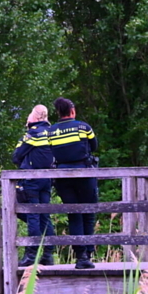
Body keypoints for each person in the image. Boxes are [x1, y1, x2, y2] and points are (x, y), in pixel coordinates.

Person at [48, 97, 99, 269]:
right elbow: (94, 146)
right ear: (72, 111)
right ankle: (88, 254)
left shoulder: (51, 131)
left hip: (63, 177)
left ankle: (80, 256)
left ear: (58, 112)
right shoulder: (83, 127)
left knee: (74, 214)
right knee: (88, 212)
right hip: (84, 174)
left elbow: (49, 152)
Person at [12, 105, 56, 267]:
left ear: (36, 117)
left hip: (32, 179)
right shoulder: (53, 133)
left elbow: (16, 155)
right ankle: (48, 255)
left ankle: (31, 255)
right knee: (45, 216)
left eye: (30, 113)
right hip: (48, 179)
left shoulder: (33, 134)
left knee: (33, 216)